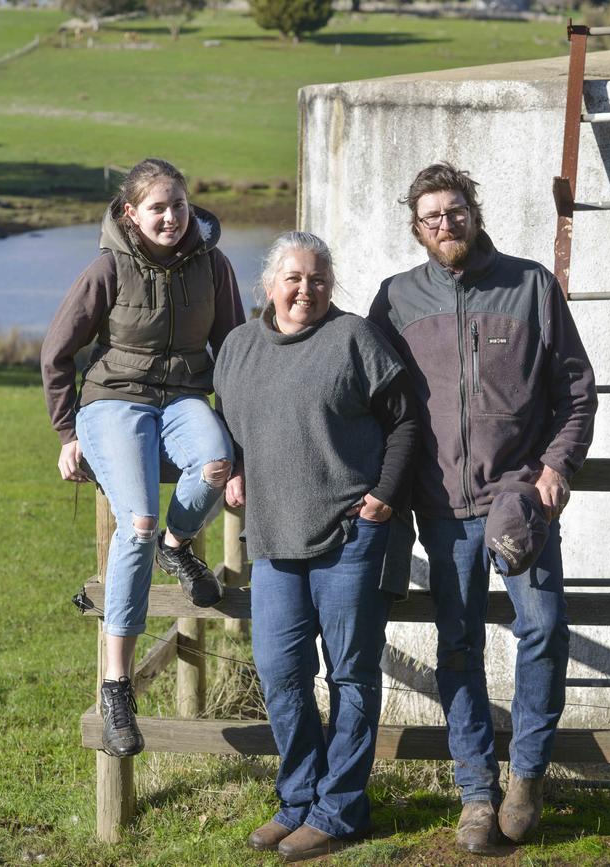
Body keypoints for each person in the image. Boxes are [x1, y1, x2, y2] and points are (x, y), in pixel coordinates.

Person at [368, 162, 598, 853]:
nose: (447, 223)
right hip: (440, 503)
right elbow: (375, 401)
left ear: (475, 209)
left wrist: (558, 465)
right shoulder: (396, 299)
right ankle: (475, 790)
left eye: (456, 208)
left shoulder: (530, 285)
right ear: (417, 228)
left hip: (520, 500)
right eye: (432, 215)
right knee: (459, 644)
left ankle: (525, 777)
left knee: (546, 629)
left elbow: (576, 392)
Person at [214, 231, 418, 862]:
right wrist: (238, 465)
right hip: (274, 536)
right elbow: (235, 419)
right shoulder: (239, 346)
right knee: (280, 673)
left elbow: (406, 418)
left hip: (349, 534)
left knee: (352, 673)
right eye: (295, 278)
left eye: (320, 279)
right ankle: (299, 798)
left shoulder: (354, 338)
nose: (308, 289)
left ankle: (340, 808)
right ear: (270, 285)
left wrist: (383, 495)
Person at [41, 158, 244, 758]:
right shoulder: (108, 267)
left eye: (178, 206)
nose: (171, 218)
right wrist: (66, 434)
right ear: (131, 214)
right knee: (137, 522)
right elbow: (57, 351)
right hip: (114, 403)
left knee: (212, 464)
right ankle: (116, 686)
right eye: (157, 208)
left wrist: (239, 442)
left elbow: (231, 352)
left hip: (184, 398)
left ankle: (177, 546)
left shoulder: (214, 264)